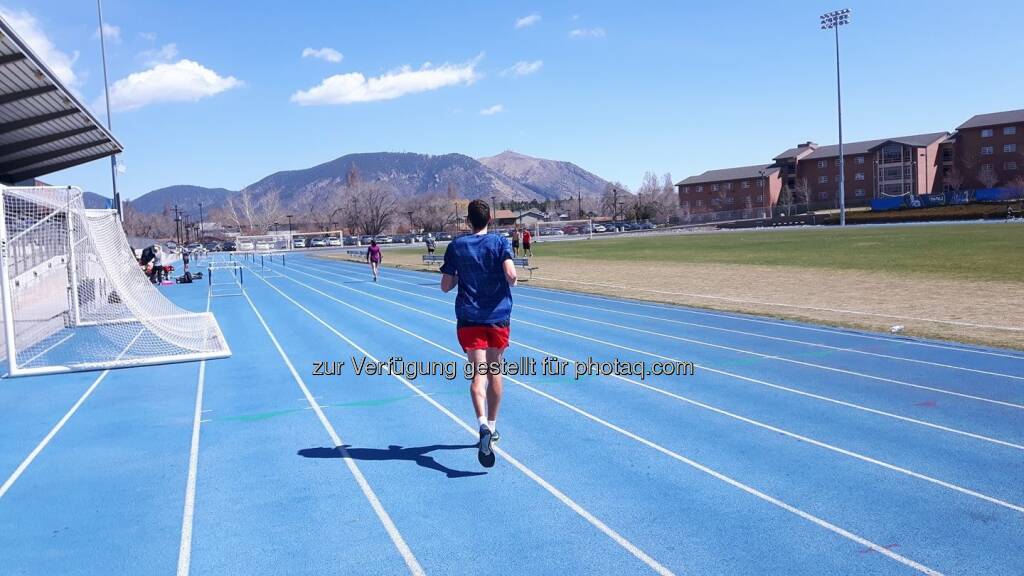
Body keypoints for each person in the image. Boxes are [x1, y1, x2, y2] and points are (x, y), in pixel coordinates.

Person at [440, 199, 517, 468]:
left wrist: (465, 273)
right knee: (496, 371)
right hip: (497, 316)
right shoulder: (500, 243)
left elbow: (445, 286)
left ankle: (481, 424)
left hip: (469, 317)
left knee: (477, 374)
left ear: (467, 221)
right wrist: (510, 277)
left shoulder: (457, 246)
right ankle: (492, 427)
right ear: (490, 220)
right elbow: (511, 275)